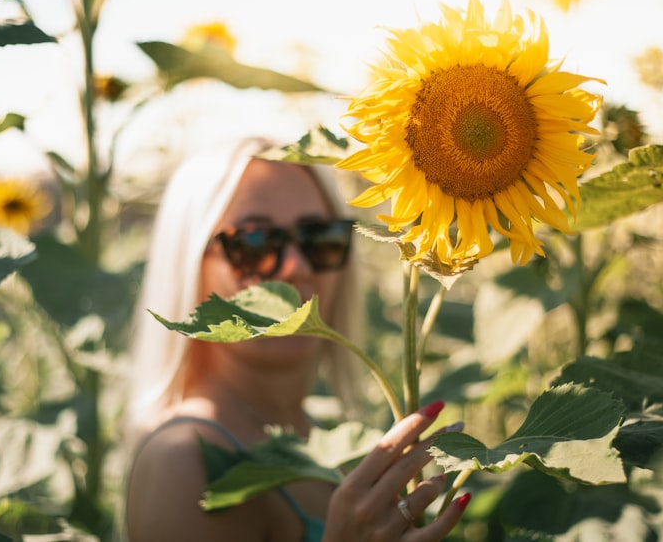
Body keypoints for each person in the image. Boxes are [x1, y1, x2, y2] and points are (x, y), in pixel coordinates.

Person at [124, 136, 471, 542]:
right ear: (188, 265)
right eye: (254, 243)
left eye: (320, 238)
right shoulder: (184, 459)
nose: (296, 266)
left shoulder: (327, 439)